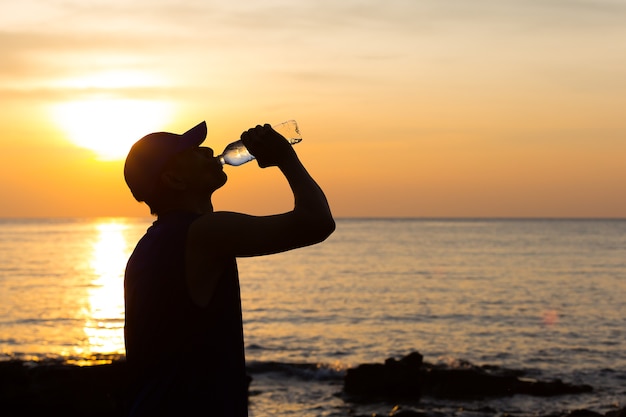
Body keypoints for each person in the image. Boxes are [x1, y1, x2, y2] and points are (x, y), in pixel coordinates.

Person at [122, 121, 335, 416]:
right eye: (193, 151)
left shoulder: (148, 247)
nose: (208, 149)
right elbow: (317, 222)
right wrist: (285, 158)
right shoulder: (204, 232)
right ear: (174, 179)